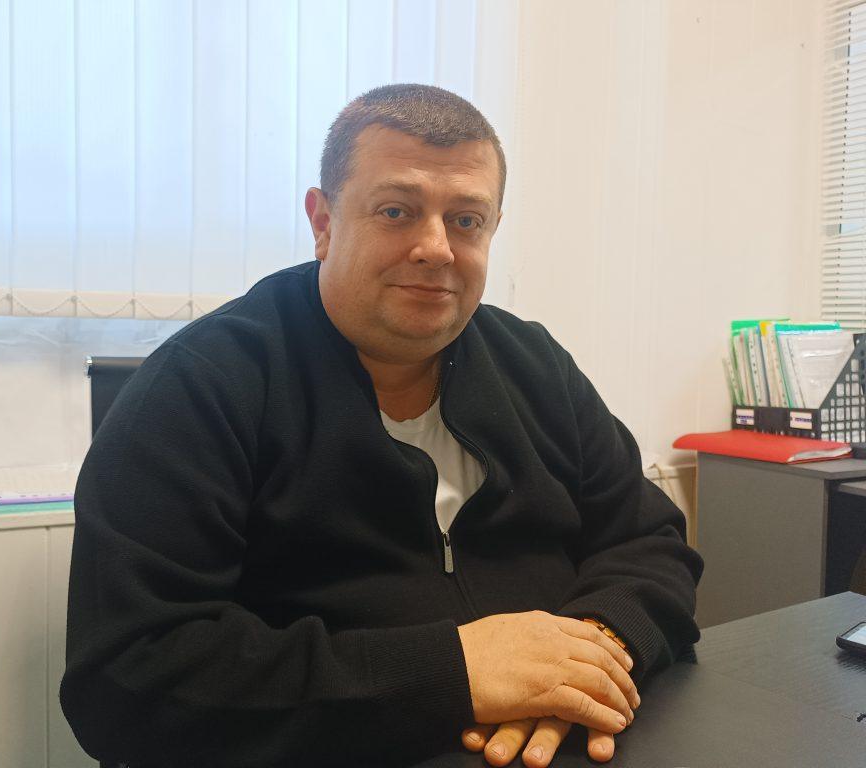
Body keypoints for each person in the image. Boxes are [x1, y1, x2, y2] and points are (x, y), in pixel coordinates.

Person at [60, 83, 703, 768]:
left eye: (467, 220)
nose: (436, 248)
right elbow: (131, 676)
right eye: (396, 211)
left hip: (568, 742)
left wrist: (586, 655)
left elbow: (651, 543)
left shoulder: (534, 365)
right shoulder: (200, 387)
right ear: (323, 221)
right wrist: (457, 672)